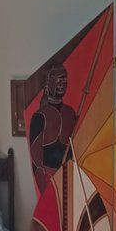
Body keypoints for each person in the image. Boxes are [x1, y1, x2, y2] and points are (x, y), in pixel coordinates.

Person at [28, 64, 77, 192]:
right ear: (49, 83)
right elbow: (36, 158)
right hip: (49, 178)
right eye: (58, 81)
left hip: (70, 176)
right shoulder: (40, 116)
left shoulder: (70, 113)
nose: (62, 85)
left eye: (64, 81)